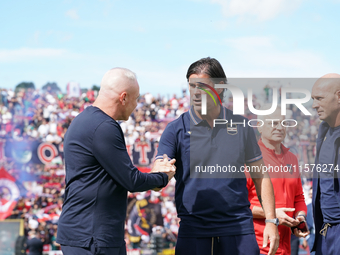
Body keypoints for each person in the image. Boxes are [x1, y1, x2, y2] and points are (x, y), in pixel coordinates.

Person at [156, 57, 279, 255]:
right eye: (192, 86)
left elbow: (260, 176)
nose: (196, 92)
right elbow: (160, 166)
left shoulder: (242, 126)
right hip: (193, 228)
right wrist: (158, 174)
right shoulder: (175, 129)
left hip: (238, 227)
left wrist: (271, 221)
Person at [57, 68, 176, 255]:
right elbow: (131, 180)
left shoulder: (83, 120)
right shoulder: (104, 126)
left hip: (84, 233)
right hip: (93, 236)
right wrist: (162, 177)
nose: (136, 105)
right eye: (136, 99)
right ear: (123, 97)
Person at [246, 107, 308, 255]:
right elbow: (237, 204)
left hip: (286, 247)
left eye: (283, 123)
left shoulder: (292, 158)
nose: (280, 127)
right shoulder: (249, 158)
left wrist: (300, 218)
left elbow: (298, 197)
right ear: (259, 126)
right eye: (273, 123)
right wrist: (271, 214)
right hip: (258, 246)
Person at [311, 73, 340, 255]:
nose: (314, 105)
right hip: (325, 234)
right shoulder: (323, 132)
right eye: (313, 99)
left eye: (319, 98)